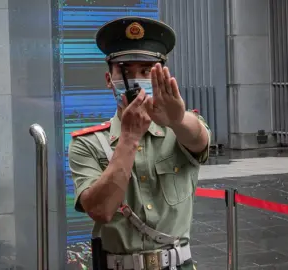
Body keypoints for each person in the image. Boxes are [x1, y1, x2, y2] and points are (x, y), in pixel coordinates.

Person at [68, 16, 211, 270]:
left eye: (146, 71)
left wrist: (177, 119)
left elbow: (200, 140)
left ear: (162, 76)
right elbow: (100, 210)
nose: (136, 80)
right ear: (109, 79)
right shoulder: (87, 144)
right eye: (125, 70)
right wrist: (129, 138)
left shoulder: (179, 130)